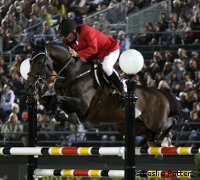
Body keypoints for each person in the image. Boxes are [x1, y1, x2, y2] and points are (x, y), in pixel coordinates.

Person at [58, 18, 124, 93]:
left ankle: (121, 88)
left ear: (73, 30)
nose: (65, 37)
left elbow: (93, 49)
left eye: (66, 35)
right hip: (96, 56)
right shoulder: (68, 40)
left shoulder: (87, 30)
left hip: (110, 49)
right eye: (64, 36)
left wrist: (77, 54)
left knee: (106, 66)